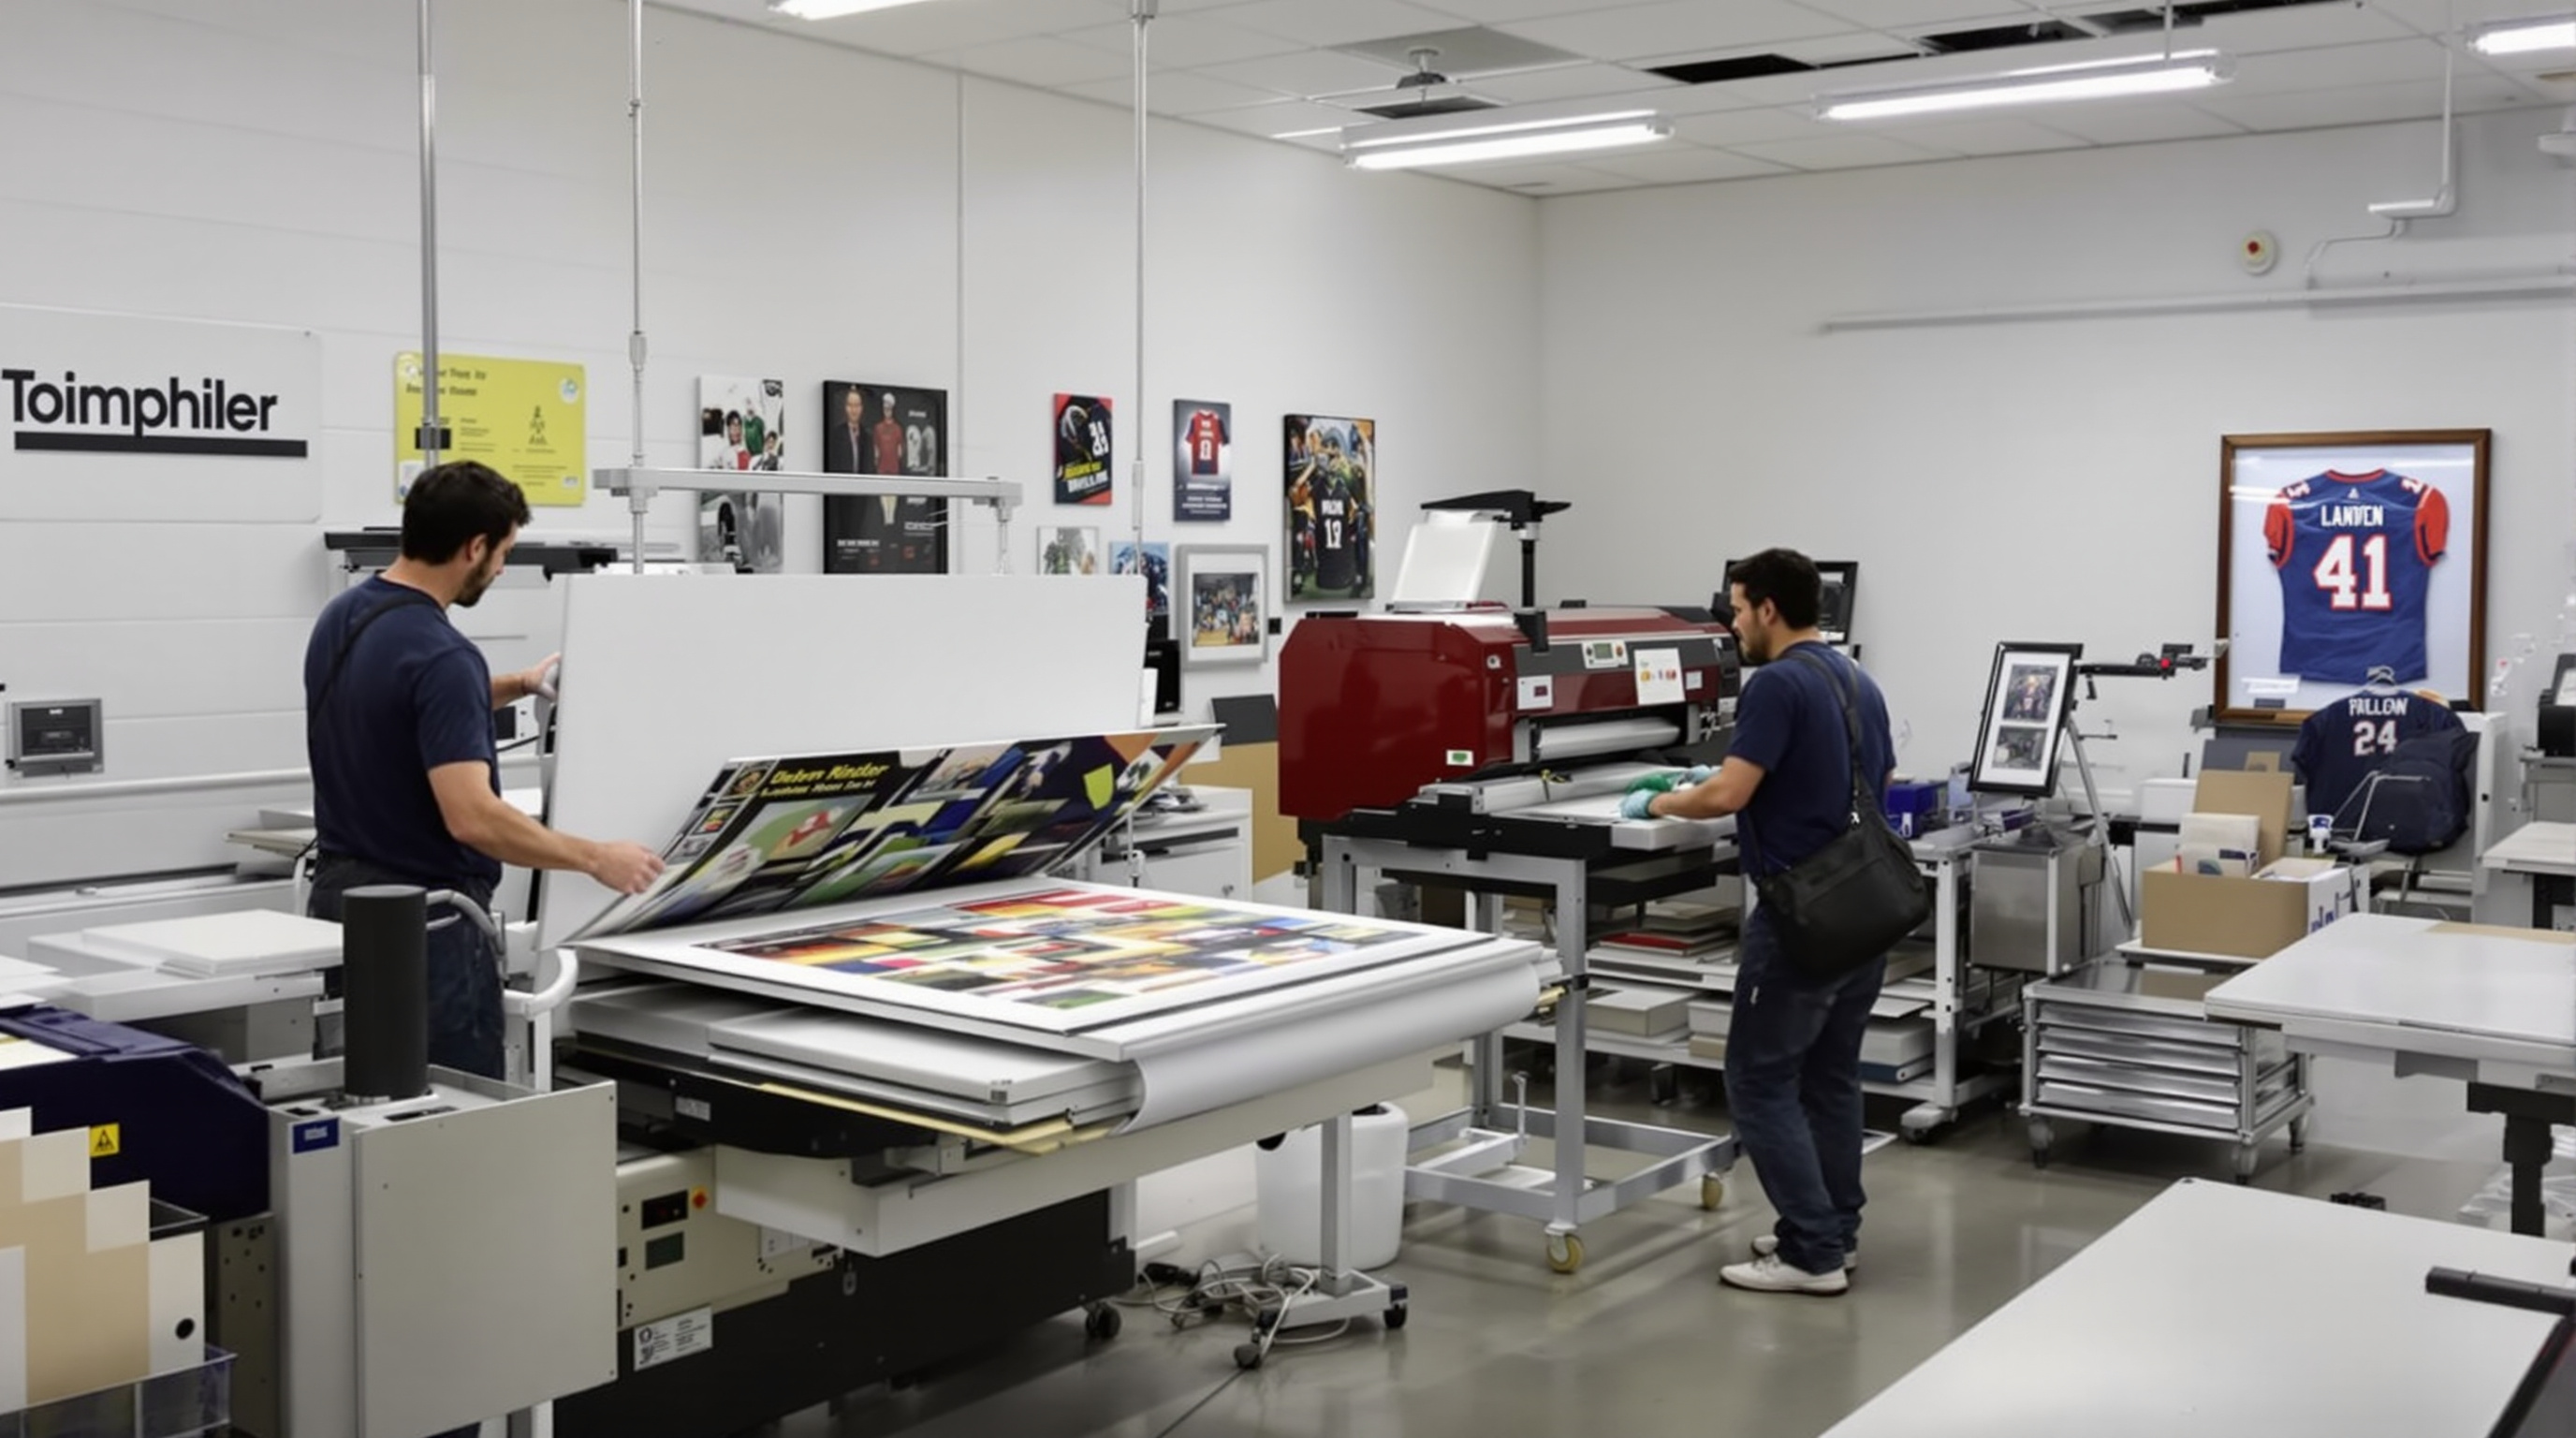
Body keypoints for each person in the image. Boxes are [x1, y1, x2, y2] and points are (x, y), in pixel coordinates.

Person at [303, 461, 666, 1083]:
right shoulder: (444, 655)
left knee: (361, 1114)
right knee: (451, 1124)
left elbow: (402, 704)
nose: (500, 569)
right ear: (474, 547)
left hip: (340, 908)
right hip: (429, 930)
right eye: (502, 553)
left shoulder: (344, 619)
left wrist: (521, 683)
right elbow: (473, 818)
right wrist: (595, 857)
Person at [1621, 548, 1895, 1297]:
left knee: (1757, 1078)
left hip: (1799, 917)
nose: (1734, 622)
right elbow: (1877, 781)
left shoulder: (1775, 684)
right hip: (1860, 912)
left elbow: (1728, 796)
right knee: (1831, 1076)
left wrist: (1660, 802)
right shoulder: (1856, 680)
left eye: (1739, 608)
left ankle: (1810, 1254)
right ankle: (1835, 1232)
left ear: (1769, 608)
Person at [826, 385, 868, 475]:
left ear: (861, 408)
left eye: (857, 405)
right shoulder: (836, 435)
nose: (854, 410)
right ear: (846, 408)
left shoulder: (867, 436)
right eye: (850, 405)